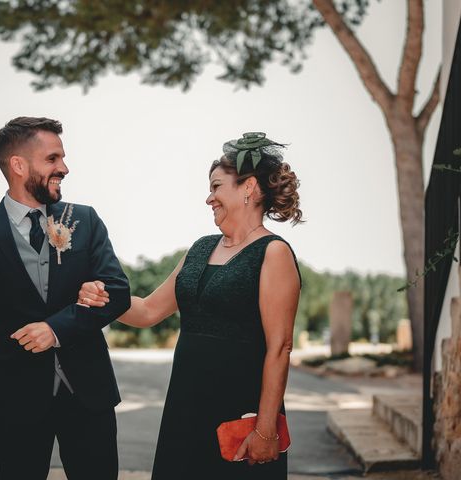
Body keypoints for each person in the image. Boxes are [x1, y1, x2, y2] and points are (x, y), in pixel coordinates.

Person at [78, 132, 303, 479]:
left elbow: (280, 347)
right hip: (185, 407)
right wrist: (104, 298)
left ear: (249, 189)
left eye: (216, 187)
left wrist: (266, 430)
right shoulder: (200, 249)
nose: (209, 198)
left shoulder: (274, 253)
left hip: (240, 416)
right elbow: (148, 311)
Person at [0, 116, 130, 480]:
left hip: (89, 396)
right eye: (52, 159)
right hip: (18, 402)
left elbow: (118, 292)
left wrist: (55, 328)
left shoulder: (85, 220)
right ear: (18, 165)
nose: (64, 167)